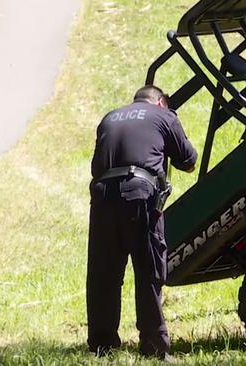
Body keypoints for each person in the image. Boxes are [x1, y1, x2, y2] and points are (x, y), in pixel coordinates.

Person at [87, 85, 197, 359]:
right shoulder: (163, 116)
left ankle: (102, 345)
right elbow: (189, 160)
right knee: (148, 270)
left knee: (103, 273)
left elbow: (96, 165)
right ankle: (154, 346)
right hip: (139, 194)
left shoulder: (110, 117)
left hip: (102, 195)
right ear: (160, 102)